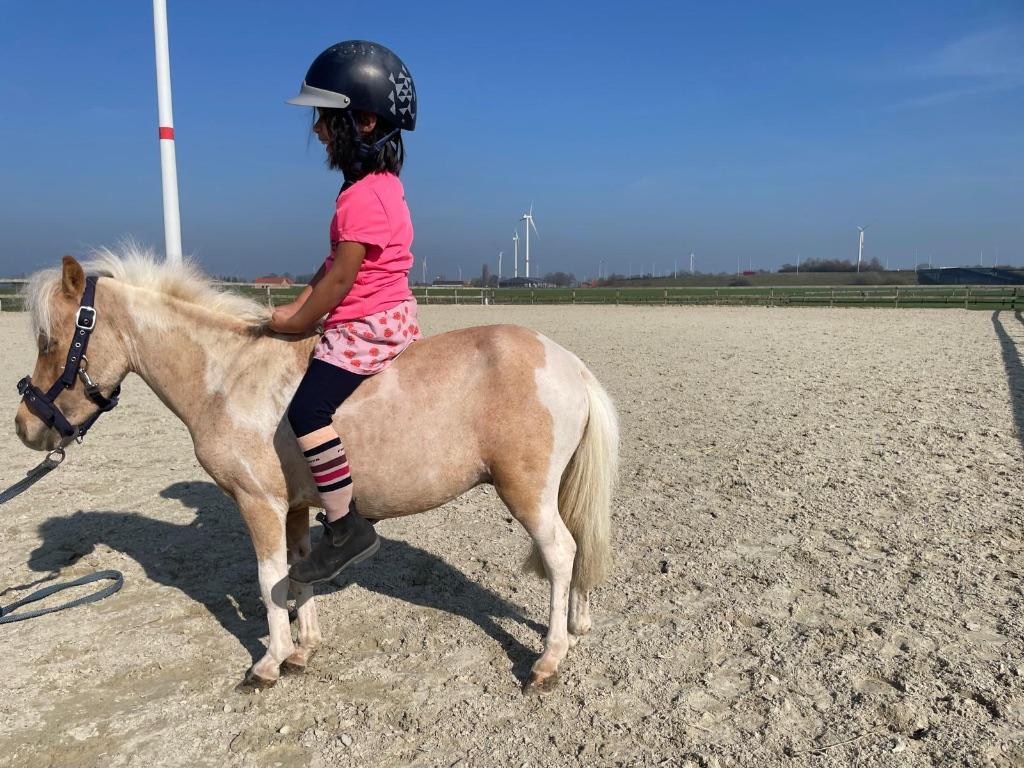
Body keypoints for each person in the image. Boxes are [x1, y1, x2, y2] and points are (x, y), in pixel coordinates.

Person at [269, 41, 420, 584]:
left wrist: (299, 321)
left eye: (326, 119)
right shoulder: (382, 187)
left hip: (367, 326)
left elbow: (340, 279)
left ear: (365, 122)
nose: (317, 131)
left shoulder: (357, 199)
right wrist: (299, 302)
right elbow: (332, 264)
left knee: (307, 410)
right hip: (392, 311)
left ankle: (345, 526)